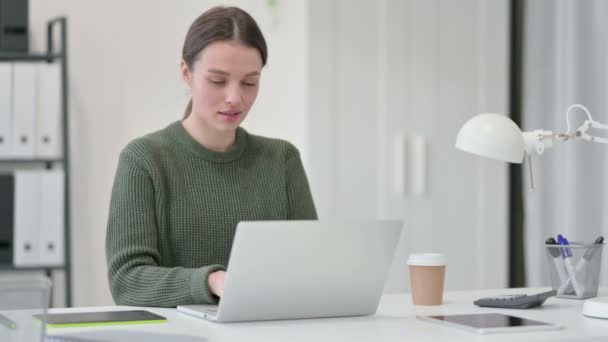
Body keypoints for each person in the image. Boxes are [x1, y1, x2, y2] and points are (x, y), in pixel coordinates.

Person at [105, 6, 317, 307]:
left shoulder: (282, 160)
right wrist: (211, 281)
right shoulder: (144, 160)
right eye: (218, 81)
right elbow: (127, 281)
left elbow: (311, 268)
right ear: (186, 73)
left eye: (249, 82)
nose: (235, 97)